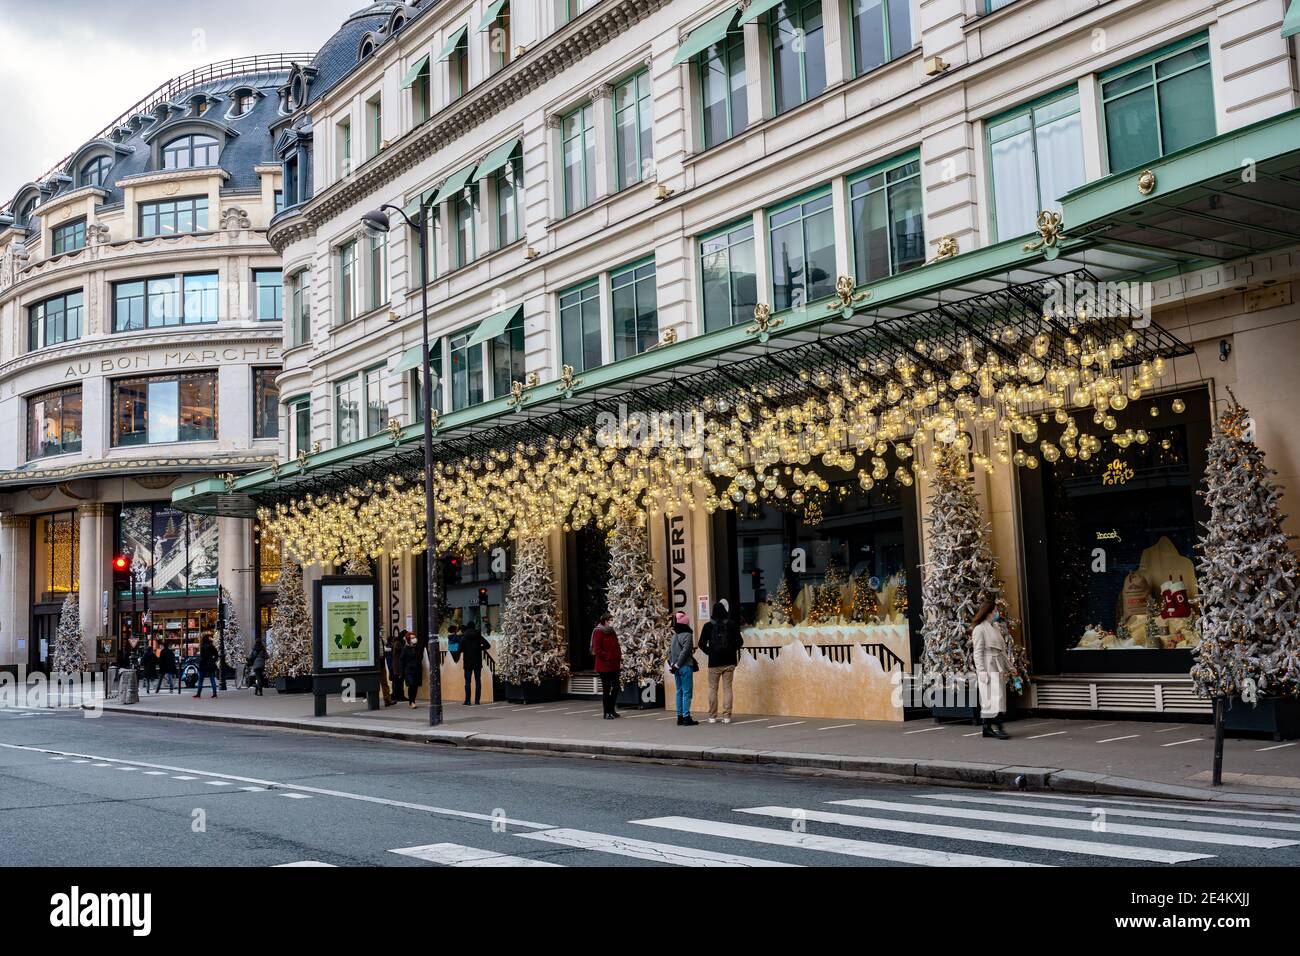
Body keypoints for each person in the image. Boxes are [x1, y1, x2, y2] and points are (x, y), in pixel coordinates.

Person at [972, 597, 1011, 739]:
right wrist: (981, 670)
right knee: (993, 697)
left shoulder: (995, 627)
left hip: (997, 664)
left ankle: (987, 727)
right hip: (988, 665)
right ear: (988, 612)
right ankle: (998, 727)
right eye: (994, 610)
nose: (996, 613)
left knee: (996, 697)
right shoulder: (979, 629)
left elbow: (1002, 650)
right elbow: (977, 651)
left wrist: (1010, 667)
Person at [698, 601, 743, 724]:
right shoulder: (731, 624)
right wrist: (731, 650)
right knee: (727, 688)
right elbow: (740, 642)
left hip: (714, 662)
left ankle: (712, 716)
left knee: (713, 689)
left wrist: (710, 652)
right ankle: (727, 716)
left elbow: (700, 644)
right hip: (729, 662)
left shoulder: (708, 626)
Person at [668, 611, 698, 726]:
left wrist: (673, 664)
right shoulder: (688, 635)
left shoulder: (675, 635)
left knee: (679, 691)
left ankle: (679, 717)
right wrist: (678, 665)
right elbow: (685, 652)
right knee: (687, 692)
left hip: (676, 667)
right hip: (684, 666)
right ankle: (686, 717)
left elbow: (670, 651)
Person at [591, 612, 622, 719]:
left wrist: (619, 658)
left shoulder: (612, 631)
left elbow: (616, 645)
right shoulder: (598, 632)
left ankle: (612, 709)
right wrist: (608, 657)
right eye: (611, 620)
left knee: (616, 687)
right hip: (604, 666)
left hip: (614, 664)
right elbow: (597, 649)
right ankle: (606, 712)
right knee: (606, 688)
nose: (612, 622)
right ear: (605, 621)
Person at [458, 622, 491, 705]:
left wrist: (465, 650)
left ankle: (468, 700)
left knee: (468, 682)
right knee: (478, 681)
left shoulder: (464, 637)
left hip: (467, 662)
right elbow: (488, 645)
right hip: (477, 662)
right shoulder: (478, 636)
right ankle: (477, 700)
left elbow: (459, 649)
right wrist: (480, 648)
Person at [399, 631, 424, 710]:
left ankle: (413, 700)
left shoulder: (417, 647)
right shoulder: (405, 648)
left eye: (415, 637)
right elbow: (401, 660)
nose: (414, 639)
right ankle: (411, 701)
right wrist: (401, 673)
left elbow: (420, 657)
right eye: (412, 638)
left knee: (415, 686)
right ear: (408, 639)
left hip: (417, 670)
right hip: (409, 670)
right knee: (411, 684)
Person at [194, 635, 219, 699]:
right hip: (210, 664)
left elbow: (202, 656)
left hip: (203, 664)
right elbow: (216, 654)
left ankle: (198, 694)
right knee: (212, 679)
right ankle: (214, 694)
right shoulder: (211, 646)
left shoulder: (202, 647)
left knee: (201, 680)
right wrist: (213, 660)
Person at [389, 631, 407, 703]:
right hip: (397, 666)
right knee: (397, 681)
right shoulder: (398, 643)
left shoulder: (398, 642)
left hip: (398, 666)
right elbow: (401, 650)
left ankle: (399, 696)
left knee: (399, 681)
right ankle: (397, 696)